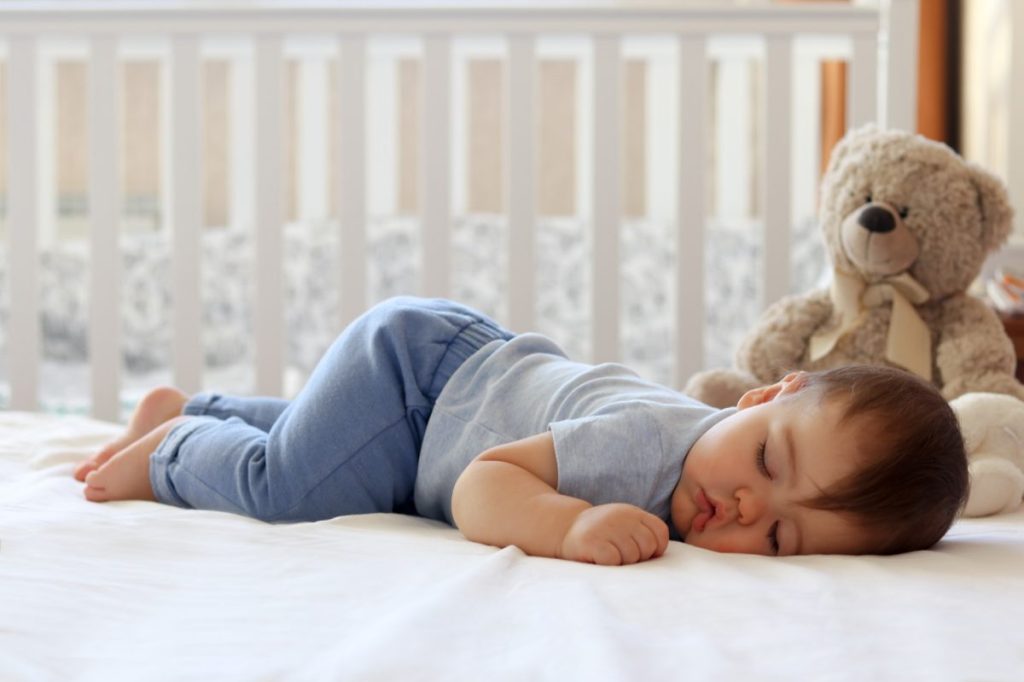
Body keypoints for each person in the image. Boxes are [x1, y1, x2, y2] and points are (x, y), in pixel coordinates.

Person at [74, 297, 968, 564]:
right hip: (415, 380)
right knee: (295, 490)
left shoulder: (709, 468)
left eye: (778, 534)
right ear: (763, 396)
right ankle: (172, 453)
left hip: (432, 411)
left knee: (351, 461)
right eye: (768, 459)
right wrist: (570, 524)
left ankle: (194, 409)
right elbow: (481, 487)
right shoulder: (647, 443)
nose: (742, 502)